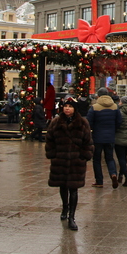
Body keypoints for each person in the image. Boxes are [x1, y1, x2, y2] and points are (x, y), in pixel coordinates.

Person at [45, 97, 92, 230]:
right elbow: (49, 139)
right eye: (65, 106)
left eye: (70, 106)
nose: (67, 109)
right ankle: (64, 208)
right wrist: (52, 154)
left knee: (74, 188)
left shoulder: (82, 123)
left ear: (74, 109)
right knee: (63, 187)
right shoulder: (56, 122)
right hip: (60, 160)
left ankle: (72, 216)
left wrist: (84, 155)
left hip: (76, 161)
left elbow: (87, 141)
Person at [87, 88, 122, 188]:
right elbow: (119, 121)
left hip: (98, 136)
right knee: (110, 158)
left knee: (97, 159)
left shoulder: (94, 107)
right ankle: (113, 174)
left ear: (98, 96)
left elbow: (89, 122)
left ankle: (99, 181)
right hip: (110, 136)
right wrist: (113, 129)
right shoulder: (115, 106)